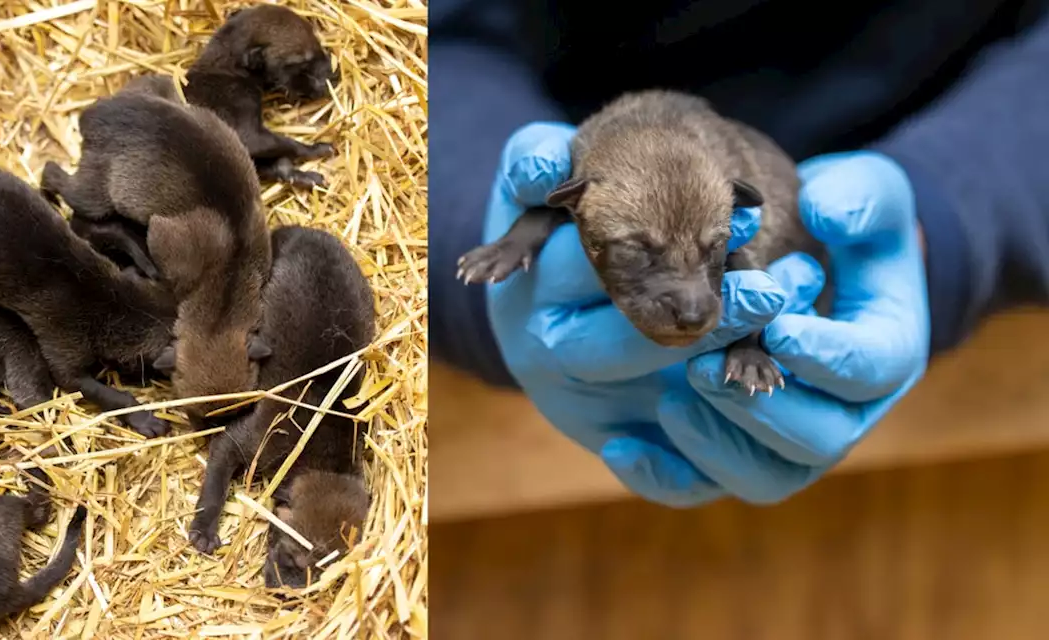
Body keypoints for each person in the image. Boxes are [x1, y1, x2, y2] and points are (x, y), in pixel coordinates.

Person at [430, 0, 1049, 506]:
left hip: (945, 119)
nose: (698, 306)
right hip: (563, 102)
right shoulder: (579, 183)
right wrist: (473, 235)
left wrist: (952, 216)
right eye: (636, 256)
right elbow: (439, 37)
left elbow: (742, 263)